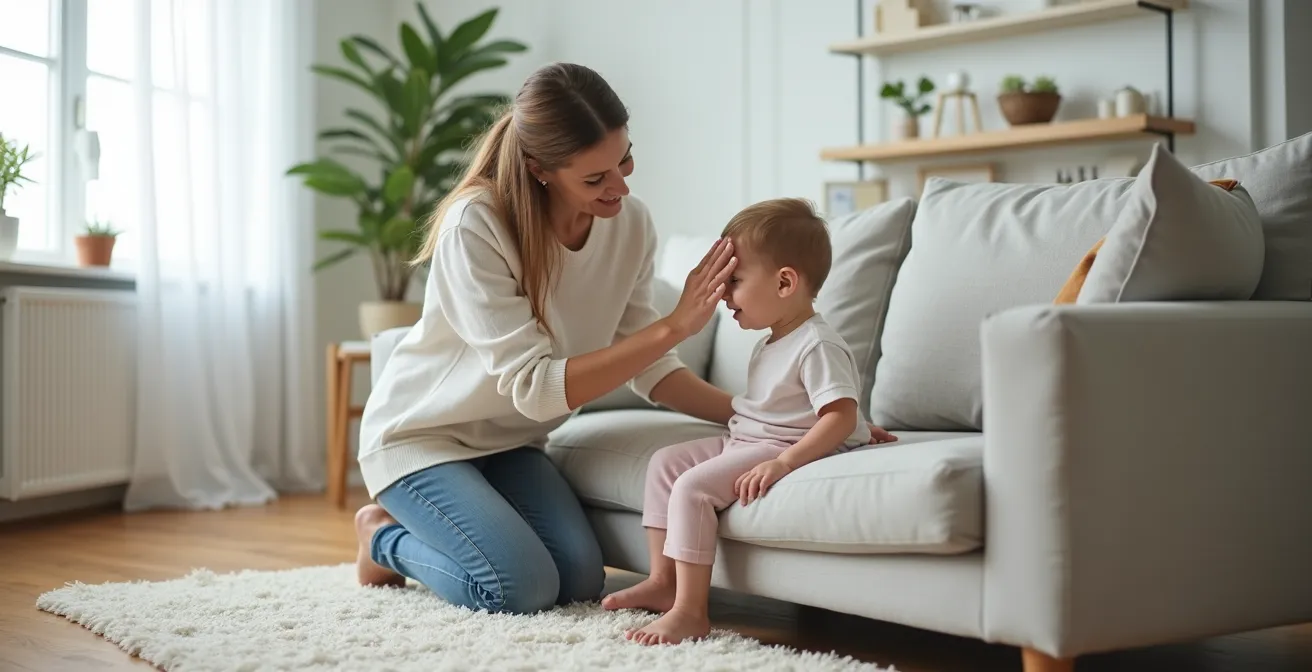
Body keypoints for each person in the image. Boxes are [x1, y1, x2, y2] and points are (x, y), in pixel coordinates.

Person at [351, 62, 742, 614]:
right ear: (540, 169)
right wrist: (674, 324)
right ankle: (379, 537)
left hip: (512, 443)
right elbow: (534, 389)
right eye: (595, 178)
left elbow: (651, 367)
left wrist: (758, 417)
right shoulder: (478, 225)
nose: (621, 186)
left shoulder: (630, 224)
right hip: (422, 440)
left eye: (625, 158)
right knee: (519, 587)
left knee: (581, 580)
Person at [601, 198, 898, 645]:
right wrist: (858, 425)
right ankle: (664, 581)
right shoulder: (772, 341)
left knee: (692, 488)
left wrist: (787, 462)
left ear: (784, 282)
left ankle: (690, 611)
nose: (722, 294)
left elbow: (838, 413)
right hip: (746, 437)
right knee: (665, 464)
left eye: (735, 281)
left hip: (776, 447)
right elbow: (816, 403)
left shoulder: (816, 343)